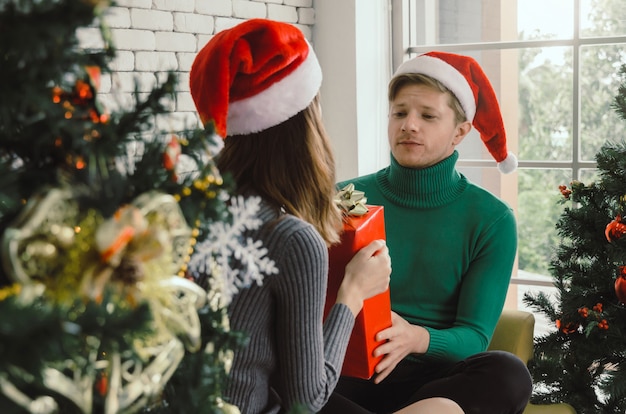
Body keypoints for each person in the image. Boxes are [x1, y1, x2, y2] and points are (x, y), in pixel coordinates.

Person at [188, 19, 392, 414]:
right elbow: (307, 399)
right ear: (306, 119)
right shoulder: (290, 237)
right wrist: (353, 293)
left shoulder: (188, 206)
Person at [322, 51, 532, 414]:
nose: (409, 125)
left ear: (460, 132)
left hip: (434, 386)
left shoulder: (492, 220)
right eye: (399, 113)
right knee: (279, 373)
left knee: (508, 373)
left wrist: (416, 338)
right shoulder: (340, 198)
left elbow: (474, 336)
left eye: (428, 116)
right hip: (346, 377)